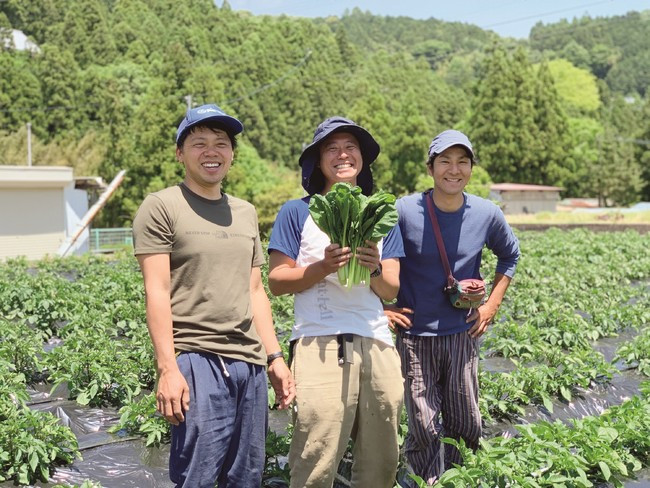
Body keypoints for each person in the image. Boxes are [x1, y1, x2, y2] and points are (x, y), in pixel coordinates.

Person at [132, 103, 295, 488]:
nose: (212, 152)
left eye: (221, 144)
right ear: (180, 154)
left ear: (232, 154)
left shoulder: (245, 212)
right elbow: (156, 290)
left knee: (246, 476)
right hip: (198, 361)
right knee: (199, 476)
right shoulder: (162, 206)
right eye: (199, 143)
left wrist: (274, 357)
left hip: (249, 364)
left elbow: (255, 290)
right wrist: (168, 368)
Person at [267, 116, 405, 488]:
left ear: (362, 158)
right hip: (319, 340)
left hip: (376, 338)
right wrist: (322, 267)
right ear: (317, 160)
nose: (342, 154)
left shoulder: (380, 214)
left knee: (383, 454)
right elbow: (277, 281)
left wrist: (374, 269)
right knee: (316, 450)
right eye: (332, 148)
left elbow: (390, 289)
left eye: (350, 147)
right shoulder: (297, 212)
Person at [386, 129, 520, 486]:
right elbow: (374, 260)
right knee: (424, 425)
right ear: (431, 167)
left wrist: (491, 305)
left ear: (471, 168)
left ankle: (464, 479)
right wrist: (381, 307)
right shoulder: (404, 210)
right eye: (445, 160)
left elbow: (510, 255)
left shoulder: (486, 213)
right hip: (415, 336)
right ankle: (428, 481)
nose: (454, 169)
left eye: (462, 161)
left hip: (461, 334)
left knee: (466, 423)